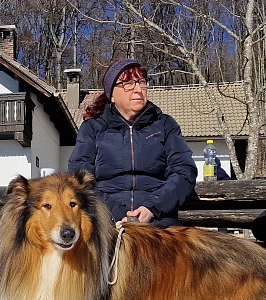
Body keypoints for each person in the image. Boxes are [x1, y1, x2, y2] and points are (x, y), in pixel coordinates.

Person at [67, 58, 196, 225]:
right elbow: (80, 178)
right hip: (106, 222)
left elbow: (184, 171)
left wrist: (153, 207)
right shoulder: (92, 128)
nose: (138, 89)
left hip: (158, 219)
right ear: (112, 95)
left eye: (141, 82)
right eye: (128, 84)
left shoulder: (165, 125)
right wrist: (116, 213)